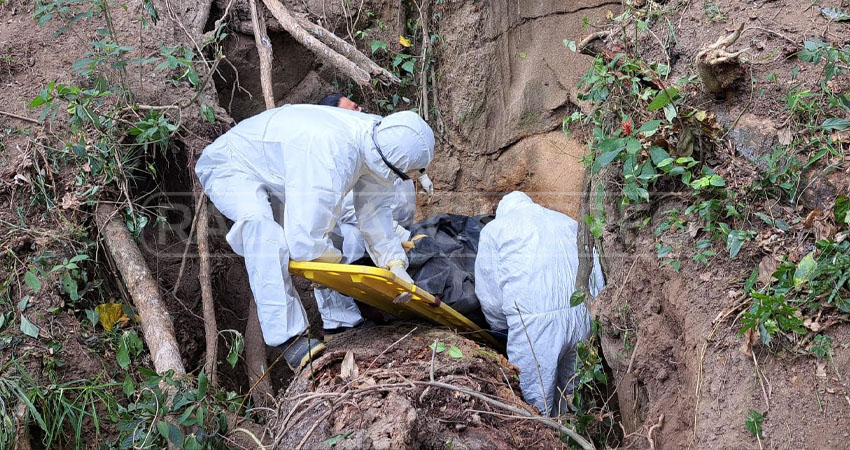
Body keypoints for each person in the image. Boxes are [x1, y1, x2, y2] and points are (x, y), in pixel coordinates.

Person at [195, 105, 434, 371]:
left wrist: (393, 262)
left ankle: (342, 323)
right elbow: (304, 243)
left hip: (282, 164)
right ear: (389, 164)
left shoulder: (383, 139)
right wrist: (341, 266)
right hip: (232, 163)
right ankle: (288, 338)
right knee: (264, 233)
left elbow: (373, 210)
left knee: (327, 228)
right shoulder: (331, 158)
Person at [474, 192, 604, 416]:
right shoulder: (566, 221)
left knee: (535, 402)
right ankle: (572, 434)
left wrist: (500, 327)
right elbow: (595, 269)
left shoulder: (495, 230)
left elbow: (491, 295)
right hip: (582, 315)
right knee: (572, 394)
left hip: (535, 325)